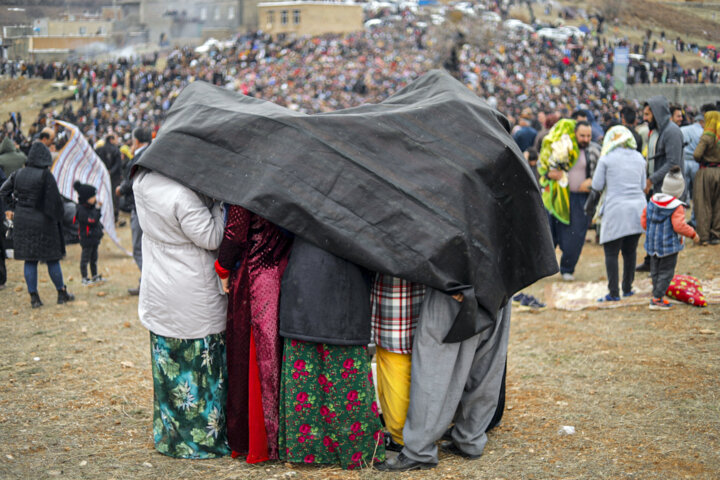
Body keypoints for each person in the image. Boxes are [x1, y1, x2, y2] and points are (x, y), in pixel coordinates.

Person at [132, 165, 230, 459]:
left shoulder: (142, 181)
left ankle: (170, 434)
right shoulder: (183, 196)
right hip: (190, 287)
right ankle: (201, 439)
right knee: (200, 365)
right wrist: (216, 204)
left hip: (159, 282)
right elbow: (212, 237)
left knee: (169, 363)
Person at [277, 238, 386, 469]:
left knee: (305, 379)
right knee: (346, 380)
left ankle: (308, 451)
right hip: (345, 289)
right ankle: (355, 450)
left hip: (304, 284)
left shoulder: (298, 203)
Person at [376, 291, 511, 471]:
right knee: (485, 364)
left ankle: (419, 452)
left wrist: (448, 282)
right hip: (501, 281)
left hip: (455, 282)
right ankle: (469, 438)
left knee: (434, 368)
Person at [214, 204, 292, 462]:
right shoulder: (288, 177)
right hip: (286, 267)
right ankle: (283, 437)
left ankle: (261, 440)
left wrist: (222, 267)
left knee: (258, 353)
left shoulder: (245, 186)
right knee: (277, 349)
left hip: (256, 272)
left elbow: (235, 234)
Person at [0, 142, 74, 308]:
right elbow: (55, 201)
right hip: (44, 222)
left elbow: (3, 191)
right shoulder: (45, 175)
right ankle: (61, 294)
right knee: (52, 259)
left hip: (23, 221)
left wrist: (14, 207)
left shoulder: (18, 173)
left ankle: (34, 298)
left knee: (30, 260)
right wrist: (58, 217)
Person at [588, 126, 647, 301]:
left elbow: (597, 185)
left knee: (611, 253)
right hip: (637, 208)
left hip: (615, 208)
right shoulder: (639, 158)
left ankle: (614, 292)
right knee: (630, 251)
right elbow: (643, 185)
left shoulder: (606, 159)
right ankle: (627, 287)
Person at [370, 274, 426, 451]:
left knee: (393, 370)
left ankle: (400, 438)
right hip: (423, 300)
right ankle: (415, 432)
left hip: (393, 302)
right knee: (416, 370)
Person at [540, 120, 600, 281]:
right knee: (551, 233)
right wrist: (548, 175)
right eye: (582, 135)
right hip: (559, 198)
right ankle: (543, 268)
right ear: (575, 134)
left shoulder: (594, 151)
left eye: (588, 136)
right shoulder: (562, 148)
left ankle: (567, 268)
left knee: (576, 236)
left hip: (580, 199)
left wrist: (591, 181)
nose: (585, 139)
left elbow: (600, 174)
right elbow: (543, 168)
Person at [641, 166, 700, 310]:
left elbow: (644, 220)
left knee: (655, 270)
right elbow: (679, 226)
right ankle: (657, 299)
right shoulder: (676, 206)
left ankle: (657, 293)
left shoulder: (653, 200)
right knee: (666, 272)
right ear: (680, 190)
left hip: (653, 245)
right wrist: (693, 234)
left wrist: (650, 231)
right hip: (669, 246)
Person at [637, 96, 684, 272]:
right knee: (654, 227)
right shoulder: (656, 131)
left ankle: (661, 268)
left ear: (657, 113)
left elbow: (673, 163)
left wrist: (651, 179)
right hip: (657, 188)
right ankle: (651, 261)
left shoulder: (671, 132)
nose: (645, 118)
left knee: (665, 231)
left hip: (668, 189)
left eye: (648, 114)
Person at [116, 127, 151, 295]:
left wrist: (121, 189)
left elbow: (132, 181)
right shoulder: (152, 152)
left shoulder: (140, 156)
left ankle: (148, 284)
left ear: (136, 140)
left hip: (139, 208)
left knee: (138, 248)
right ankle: (145, 282)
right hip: (148, 208)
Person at [693, 110, 720, 245]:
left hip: (706, 172)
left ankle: (704, 237)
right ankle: (716, 235)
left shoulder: (707, 137)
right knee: (718, 205)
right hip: (719, 171)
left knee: (703, 204)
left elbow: (697, 155)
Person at [73, 181, 104, 285]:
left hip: (94, 238)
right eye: (93, 196)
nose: (95, 198)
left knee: (94, 258)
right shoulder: (81, 210)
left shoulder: (91, 208)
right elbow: (92, 221)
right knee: (85, 258)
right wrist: (98, 210)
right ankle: (84, 278)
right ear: (87, 198)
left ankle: (94, 276)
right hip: (86, 238)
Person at [95, 133, 123, 223]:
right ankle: (114, 216)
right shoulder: (116, 150)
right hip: (114, 176)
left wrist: (105, 171)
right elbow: (118, 164)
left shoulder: (99, 149)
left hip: (103, 176)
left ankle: (105, 216)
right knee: (115, 196)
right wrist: (110, 171)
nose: (117, 141)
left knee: (104, 195)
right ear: (111, 139)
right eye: (115, 139)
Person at [681, 111, 705, 204]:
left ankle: (684, 207)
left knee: (684, 188)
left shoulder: (683, 129)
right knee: (697, 189)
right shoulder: (702, 132)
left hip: (684, 161)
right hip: (696, 162)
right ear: (702, 122)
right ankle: (694, 213)